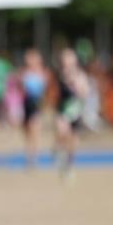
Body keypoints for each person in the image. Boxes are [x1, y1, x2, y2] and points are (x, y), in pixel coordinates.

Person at [53, 47, 89, 179]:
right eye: (65, 58)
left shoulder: (80, 75)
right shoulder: (60, 74)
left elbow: (85, 92)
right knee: (62, 131)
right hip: (62, 110)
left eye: (69, 58)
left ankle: (69, 166)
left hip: (76, 111)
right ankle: (58, 151)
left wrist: (78, 87)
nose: (67, 60)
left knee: (73, 141)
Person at [18, 48, 49, 166]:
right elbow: (20, 90)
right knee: (27, 132)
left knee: (34, 129)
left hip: (37, 104)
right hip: (26, 104)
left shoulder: (43, 73)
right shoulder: (24, 73)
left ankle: (34, 156)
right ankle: (29, 155)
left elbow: (46, 91)